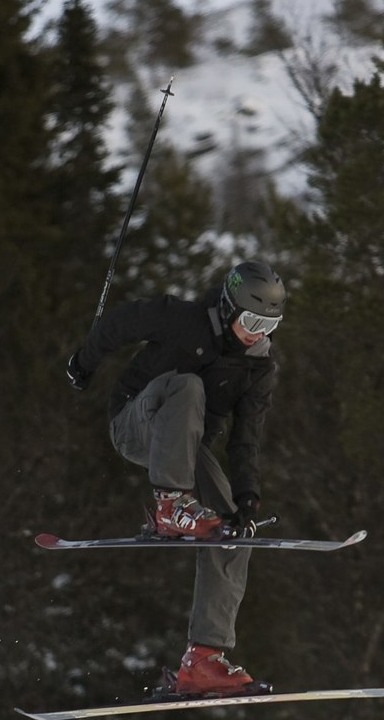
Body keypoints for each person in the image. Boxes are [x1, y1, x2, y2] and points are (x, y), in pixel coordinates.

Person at [67, 260, 286, 696]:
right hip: (137, 423)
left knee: (232, 534)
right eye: (252, 321)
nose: (258, 333)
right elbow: (118, 325)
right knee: (188, 386)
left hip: (187, 450)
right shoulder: (181, 319)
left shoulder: (259, 366)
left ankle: (203, 660)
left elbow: (246, 439)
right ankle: (171, 504)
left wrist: (246, 499)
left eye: (270, 324)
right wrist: (83, 363)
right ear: (229, 308)